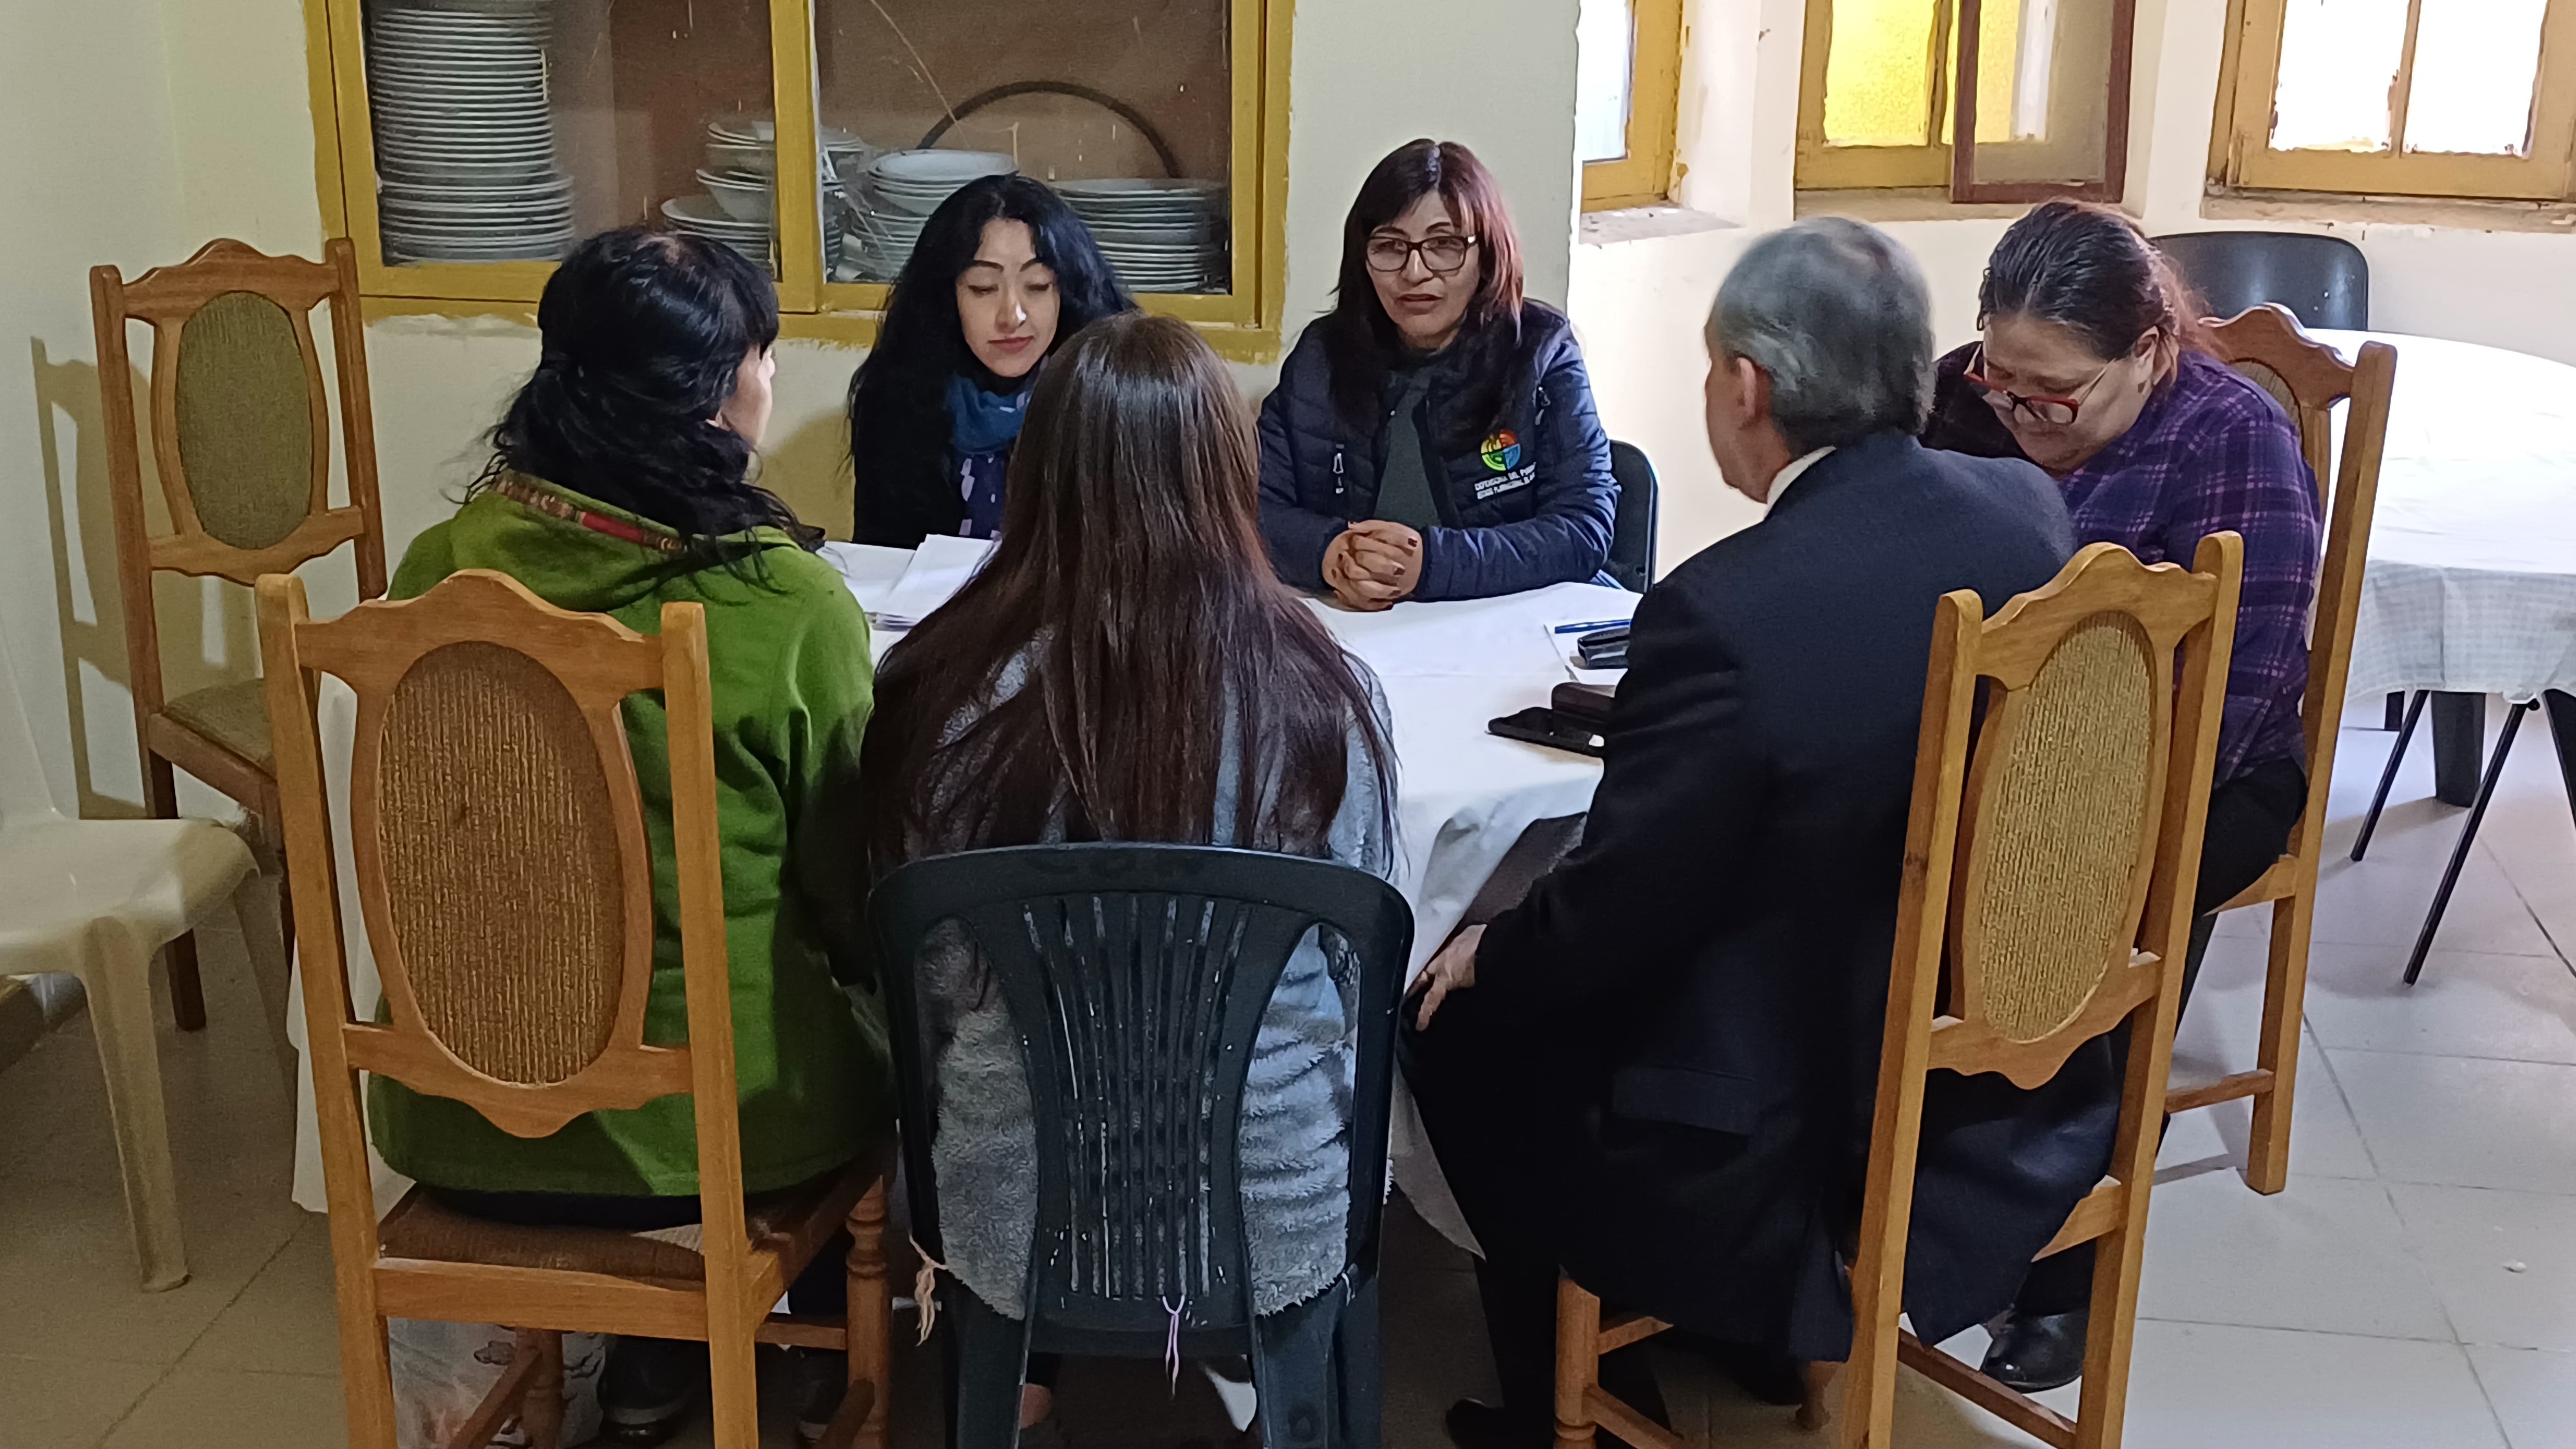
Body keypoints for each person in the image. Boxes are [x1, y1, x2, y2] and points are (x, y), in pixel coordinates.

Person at [1401, 219, 2120, 1449]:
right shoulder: (2025, 509)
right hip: (2024, 1091)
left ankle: (1575, 1404)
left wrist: (1490, 947)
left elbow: (1621, 909)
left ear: (1747, 387)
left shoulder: (1725, 610)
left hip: (1816, 1134)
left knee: (1465, 1019)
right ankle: (1719, 1333)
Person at [375, 229, 889, 1446]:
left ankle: (655, 1375)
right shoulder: (784, 605)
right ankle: (787, 1349)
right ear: (722, 393)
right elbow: (850, 894)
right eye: (764, 357)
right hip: (714, 1140)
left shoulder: (436, 570)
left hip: (458, 1121)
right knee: (866, 1021)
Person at [860, 312, 1397, 1444]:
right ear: (1228, 474)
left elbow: (943, 984)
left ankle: (1021, 1385)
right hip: (1274, 1203)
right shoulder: (1327, 698)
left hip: (1018, 1204)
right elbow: (1353, 986)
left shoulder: (943, 698)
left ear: (1038, 474)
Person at [1921, 200, 2321, 1392]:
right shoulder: (1963, 396)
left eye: (2060, 396)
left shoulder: (2230, 437)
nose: (2025, 415)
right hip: (1978, 755)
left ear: (2150, 351)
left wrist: (2050, 819)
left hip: (2192, 776)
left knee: (2071, 921)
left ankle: (2061, 1259)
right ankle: (1898, 1198)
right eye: (2007, 382)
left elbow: (2243, 690)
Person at [1258, 138, 1617, 608]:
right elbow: (1249, 512)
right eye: (1389, 246)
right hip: (1360, 635)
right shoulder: (1320, 357)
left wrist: (1430, 565)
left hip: (1509, 628)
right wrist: (1330, 553)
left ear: (1487, 254)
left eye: (1444, 245)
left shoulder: (1541, 353)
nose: (1414, 272)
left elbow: (1583, 527)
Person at [846, 173, 1135, 546]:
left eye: (1038, 286)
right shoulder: (896, 395)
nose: (1011, 316)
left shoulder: (1113, 394)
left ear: (1068, 291)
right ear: (947, 298)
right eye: (983, 287)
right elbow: (883, 554)